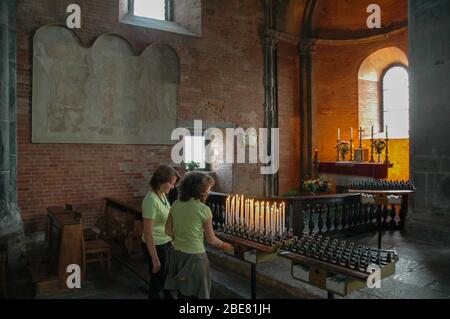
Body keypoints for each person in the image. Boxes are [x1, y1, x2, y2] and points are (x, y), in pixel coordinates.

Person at [164, 172, 232, 299]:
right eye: (208, 189)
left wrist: (181, 238)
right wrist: (225, 245)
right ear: (201, 191)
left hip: (177, 254)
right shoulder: (204, 210)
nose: (209, 192)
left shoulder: (175, 204)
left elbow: (167, 230)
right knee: (199, 294)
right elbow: (211, 240)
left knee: (182, 293)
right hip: (195, 258)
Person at [141, 165, 180, 299]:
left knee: (166, 279)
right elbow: (147, 232)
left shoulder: (162, 195)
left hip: (165, 243)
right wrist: (155, 259)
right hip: (156, 245)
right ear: (161, 181)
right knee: (157, 282)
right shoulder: (150, 200)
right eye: (171, 183)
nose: (173, 186)